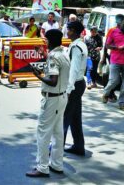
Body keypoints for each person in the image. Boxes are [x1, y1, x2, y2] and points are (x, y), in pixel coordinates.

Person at [26, 29, 70, 178]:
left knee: (43, 133)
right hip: (62, 97)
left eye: (46, 40)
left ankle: (42, 167)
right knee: (58, 133)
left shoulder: (53, 57)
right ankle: (57, 164)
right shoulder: (63, 54)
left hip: (52, 99)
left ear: (50, 41)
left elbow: (53, 81)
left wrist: (38, 76)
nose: (44, 42)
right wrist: (44, 54)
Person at [102, 16, 124, 112]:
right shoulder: (113, 32)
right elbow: (107, 45)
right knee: (114, 80)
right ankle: (105, 93)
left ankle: (122, 103)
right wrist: (118, 47)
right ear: (120, 23)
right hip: (115, 60)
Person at [63, 21, 88, 157]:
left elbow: (74, 69)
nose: (67, 32)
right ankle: (79, 146)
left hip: (74, 85)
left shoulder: (77, 47)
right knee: (75, 118)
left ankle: (57, 147)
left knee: (65, 117)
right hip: (78, 84)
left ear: (73, 31)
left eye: (68, 30)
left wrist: (68, 89)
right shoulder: (80, 44)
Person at [100, 14, 124, 102]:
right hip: (112, 56)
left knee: (118, 79)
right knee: (111, 77)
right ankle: (109, 93)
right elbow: (106, 45)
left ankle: (110, 92)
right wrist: (104, 57)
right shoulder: (112, 30)